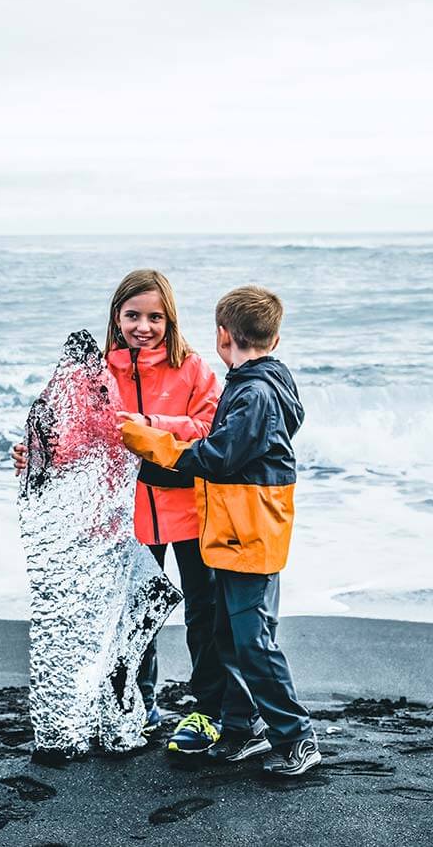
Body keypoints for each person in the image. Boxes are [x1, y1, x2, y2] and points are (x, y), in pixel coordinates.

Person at [13, 269, 227, 748]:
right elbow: (73, 439)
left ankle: (207, 708)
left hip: (190, 508)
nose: (143, 326)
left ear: (169, 320)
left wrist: (149, 424)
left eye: (154, 317)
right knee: (133, 614)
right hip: (125, 517)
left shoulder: (192, 367)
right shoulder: (97, 373)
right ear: (117, 316)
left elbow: (213, 427)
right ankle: (137, 702)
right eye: (133, 315)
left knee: (204, 611)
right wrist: (36, 454)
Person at [120, 285, 321, 776]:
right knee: (229, 635)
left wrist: (151, 440)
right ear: (274, 337)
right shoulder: (252, 378)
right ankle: (240, 728)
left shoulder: (254, 392)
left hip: (250, 533)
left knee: (253, 642)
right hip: (234, 530)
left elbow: (217, 457)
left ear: (222, 335)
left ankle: (297, 738)